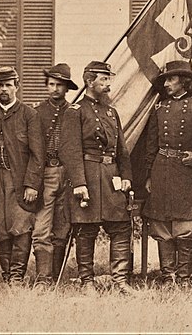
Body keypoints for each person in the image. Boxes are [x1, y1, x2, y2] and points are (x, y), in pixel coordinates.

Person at [60, 61, 133, 292]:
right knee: (86, 229)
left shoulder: (112, 112)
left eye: (109, 79)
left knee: (120, 227)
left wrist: (126, 176)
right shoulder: (74, 112)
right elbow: (70, 150)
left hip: (112, 178)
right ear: (89, 82)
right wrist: (79, 183)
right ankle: (87, 282)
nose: (108, 84)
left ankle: (120, 281)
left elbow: (122, 149)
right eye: (103, 80)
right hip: (88, 177)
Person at [143, 61, 192, 287]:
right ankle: (168, 277)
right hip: (162, 170)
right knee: (162, 225)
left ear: (184, 82)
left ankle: (184, 279)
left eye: (171, 80)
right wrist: (149, 175)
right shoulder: (159, 108)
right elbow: (150, 144)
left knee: (186, 227)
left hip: (186, 172)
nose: (166, 84)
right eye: (166, 80)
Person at [0, 66, 44, 286]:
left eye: (8, 85)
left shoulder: (29, 114)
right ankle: (6, 275)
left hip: (19, 181)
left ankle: (17, 277)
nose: (4, 89)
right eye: (0, 85)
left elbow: (37, 155)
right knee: (0, 227)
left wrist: (32, 185)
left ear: (16, 87)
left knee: (21, 226)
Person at [32, 63, 78, 288]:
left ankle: (55, 279)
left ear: (66, 88)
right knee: (42, 227)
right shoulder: (36, 112)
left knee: (62, 226)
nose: (55, 89)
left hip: (68, 175)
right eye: (51, 84)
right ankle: (42, 278)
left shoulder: (74, 112)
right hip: (45, 174)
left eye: (59, 85)